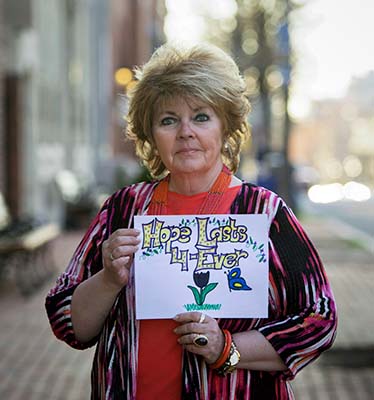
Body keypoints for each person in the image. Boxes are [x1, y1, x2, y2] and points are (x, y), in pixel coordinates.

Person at [45, 43, 337, 399]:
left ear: (225, 126)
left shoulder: (264, 213)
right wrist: (108, 279)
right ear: (151, 133)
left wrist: (226, 348)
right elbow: (69, 323)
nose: (185, 131)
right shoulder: (124, 209)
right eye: (168, 119)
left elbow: (319, 319)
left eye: (201, 116)